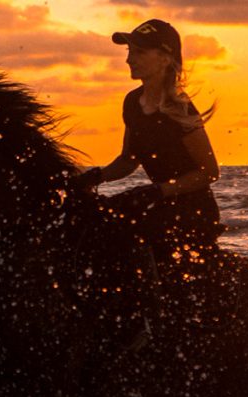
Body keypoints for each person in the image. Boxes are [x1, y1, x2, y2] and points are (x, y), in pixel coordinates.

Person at [75, 19, 222, 270]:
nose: (129, 59)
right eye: (129, 51)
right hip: (159, 203)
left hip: (193, 212)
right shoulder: (132, 102)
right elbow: (128, 160)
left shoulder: (180, 110)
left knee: (127, 229)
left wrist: (158, 191)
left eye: (139, 52)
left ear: (165, 59)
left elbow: (209, 172)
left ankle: (148, 300)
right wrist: (93, 177)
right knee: (95, 220)